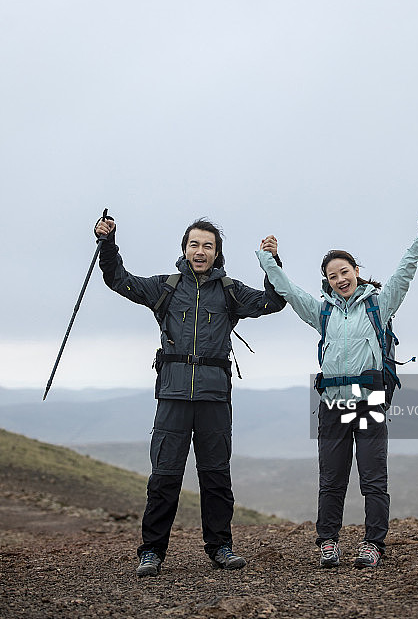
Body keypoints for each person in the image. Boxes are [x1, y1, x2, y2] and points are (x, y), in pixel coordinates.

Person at [94, 214, 285, 577]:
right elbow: (117, 279)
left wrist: (272, 262)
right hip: (173, 396)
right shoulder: (164, 287)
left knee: (216, 476)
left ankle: (220, 547)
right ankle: (151, 551)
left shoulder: (230, 290)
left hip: (214, 398)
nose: (200, 251)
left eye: (208, 246)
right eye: (194, 244)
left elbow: (274, 301)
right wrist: (108, 242)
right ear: (184, 249)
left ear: (217, 253)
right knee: (164, 476)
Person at [256, 218, 418, 569]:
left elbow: (403, 275)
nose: (340, 279)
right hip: (333, 402)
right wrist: (268, 259)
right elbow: (289, 291)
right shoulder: (322, 311)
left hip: (368, 400)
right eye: (332, 276)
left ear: (356, 270)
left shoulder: (378, 306)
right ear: (328, 281)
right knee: (332, 478)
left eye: (344, 271)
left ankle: (373, 544)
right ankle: (328, 542)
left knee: (372, 477)